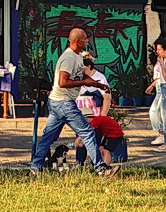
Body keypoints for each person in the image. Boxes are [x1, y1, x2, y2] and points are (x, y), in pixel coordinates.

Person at [30, 28, 118, 177]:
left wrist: (98, 85)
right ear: (77, 41)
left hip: (57, 103)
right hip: (64, 103)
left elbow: (81, 73)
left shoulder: (78, 56)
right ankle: (102, 169)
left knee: (48, 136)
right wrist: (84, 82)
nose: (87, 40)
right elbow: (62, 82)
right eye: (84, 38)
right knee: (88, 132)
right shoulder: (68, 58)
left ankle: (35, 168)